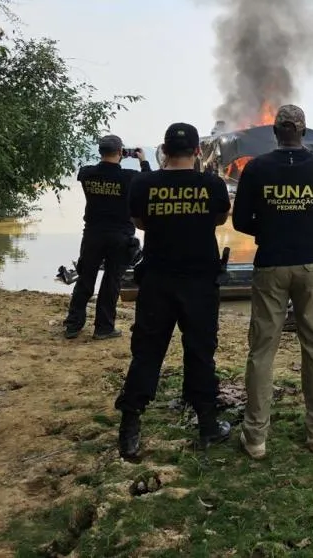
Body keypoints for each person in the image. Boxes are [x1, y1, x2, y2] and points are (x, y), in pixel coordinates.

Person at [232, 104, 313, 458]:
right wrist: (308, 222)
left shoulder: (256, 168)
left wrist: (271, 226)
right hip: (312, 266)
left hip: (270, 264)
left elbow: (240, 221)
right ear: (302, 130)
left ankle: (255, 437)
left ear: (274, 132)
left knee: (262, 348)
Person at [113, 123, 232, 461]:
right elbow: (220, 218)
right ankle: (208, 424)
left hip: (157, 282)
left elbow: (139, 221)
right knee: (200, 353)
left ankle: (130, 430)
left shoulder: (144, 183)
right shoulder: (211, 184)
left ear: (163, 151)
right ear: (197, 151)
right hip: (199, 282)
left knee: (148, 353)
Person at [64, 135, 151, 341]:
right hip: (120, 236)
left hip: (93, 233)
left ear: (100, 152)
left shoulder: (87, 173)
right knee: (111, 281)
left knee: (85, 278)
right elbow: (149, 181)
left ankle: (73, 325)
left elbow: (89, 172)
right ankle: (103, 327)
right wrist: (142, 160)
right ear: (121, 152)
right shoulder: (129, 177)